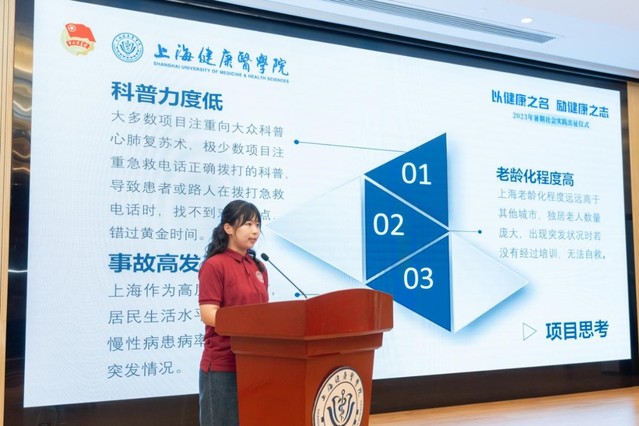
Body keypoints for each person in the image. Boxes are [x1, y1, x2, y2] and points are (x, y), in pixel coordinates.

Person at [198, 200, 269, 426]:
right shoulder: (214, 265)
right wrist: (247, 324)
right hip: (223, 365)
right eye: (248, 224)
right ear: (228, 228)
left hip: (255, 362)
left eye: (257, 224)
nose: (255, 231)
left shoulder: (259, 267)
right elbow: (208, 314)